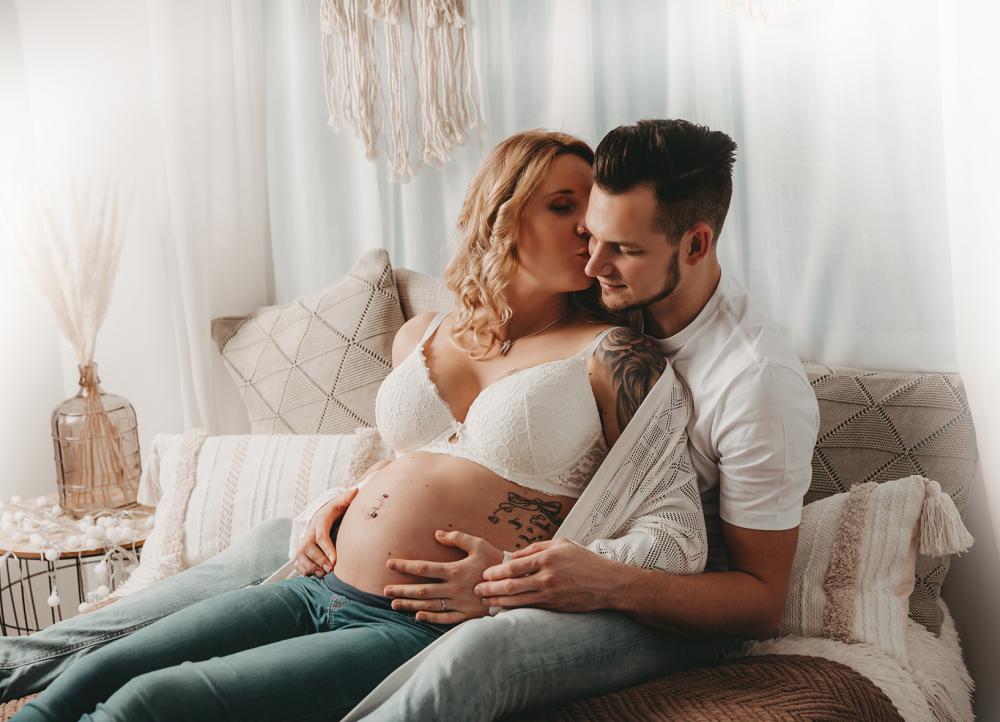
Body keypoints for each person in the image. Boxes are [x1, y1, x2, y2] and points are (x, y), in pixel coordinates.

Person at [10, 130, 704, 722]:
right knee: (99, 669)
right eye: (564, 205)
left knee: (149, 702)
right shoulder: (422, 335)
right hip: (312, 584)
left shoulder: (614, 356)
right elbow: (390, 464)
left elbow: (674, 534)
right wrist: (327, 509)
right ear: (503, 212)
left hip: (415, 624)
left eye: (594, 211)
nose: (590, 228)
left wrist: (510, 582)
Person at [346, 119, 821, 721]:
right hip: (532, 573)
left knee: (482, 654)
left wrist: (590, 581)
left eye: (622, 249)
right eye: (592, 234)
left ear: (695, 246)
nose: (592, 262)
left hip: (657, 605)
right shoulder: (595, 313)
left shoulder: (755, 382)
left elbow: (759, 605)